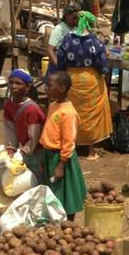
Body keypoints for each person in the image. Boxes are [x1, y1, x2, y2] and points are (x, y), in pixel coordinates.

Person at [56, 9, 112, 159]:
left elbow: (60, 60)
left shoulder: (67, 39)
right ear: (89, 23)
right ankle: (91, 151)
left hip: (71, 80)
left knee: (71, 112)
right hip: (90, 80)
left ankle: (70, 146)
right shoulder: (95, 42)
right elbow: (103, 65)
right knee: (89, 115)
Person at [38, 71, 87, 219]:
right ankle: (54, 219)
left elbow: (68, 140)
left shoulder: (68, 113)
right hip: (49, 154)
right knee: (52, 189)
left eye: (50, 85)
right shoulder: (53, 105)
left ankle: (67, 221)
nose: (46, 88)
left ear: (62, 88)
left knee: (65, 190)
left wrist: (61, 165)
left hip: (61, 157)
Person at [2, 68, 46, 182]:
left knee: (35, 177)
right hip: (26, 149)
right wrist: (11, 149)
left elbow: (34, 136)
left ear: (27, 87)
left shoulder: (32, 109)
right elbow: (9, 129)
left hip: (37, 150)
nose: (13, 86)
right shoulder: (8, 104)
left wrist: (22, 152)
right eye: (11, 82)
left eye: (18, 83)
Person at [46, 5, 79, 74]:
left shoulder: (76, 29)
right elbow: (50, 49)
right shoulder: (59, 29)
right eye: (74, 18)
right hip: (58, 66)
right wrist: (58, 66)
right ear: (67, 16)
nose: (76, 21)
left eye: (78, 19)